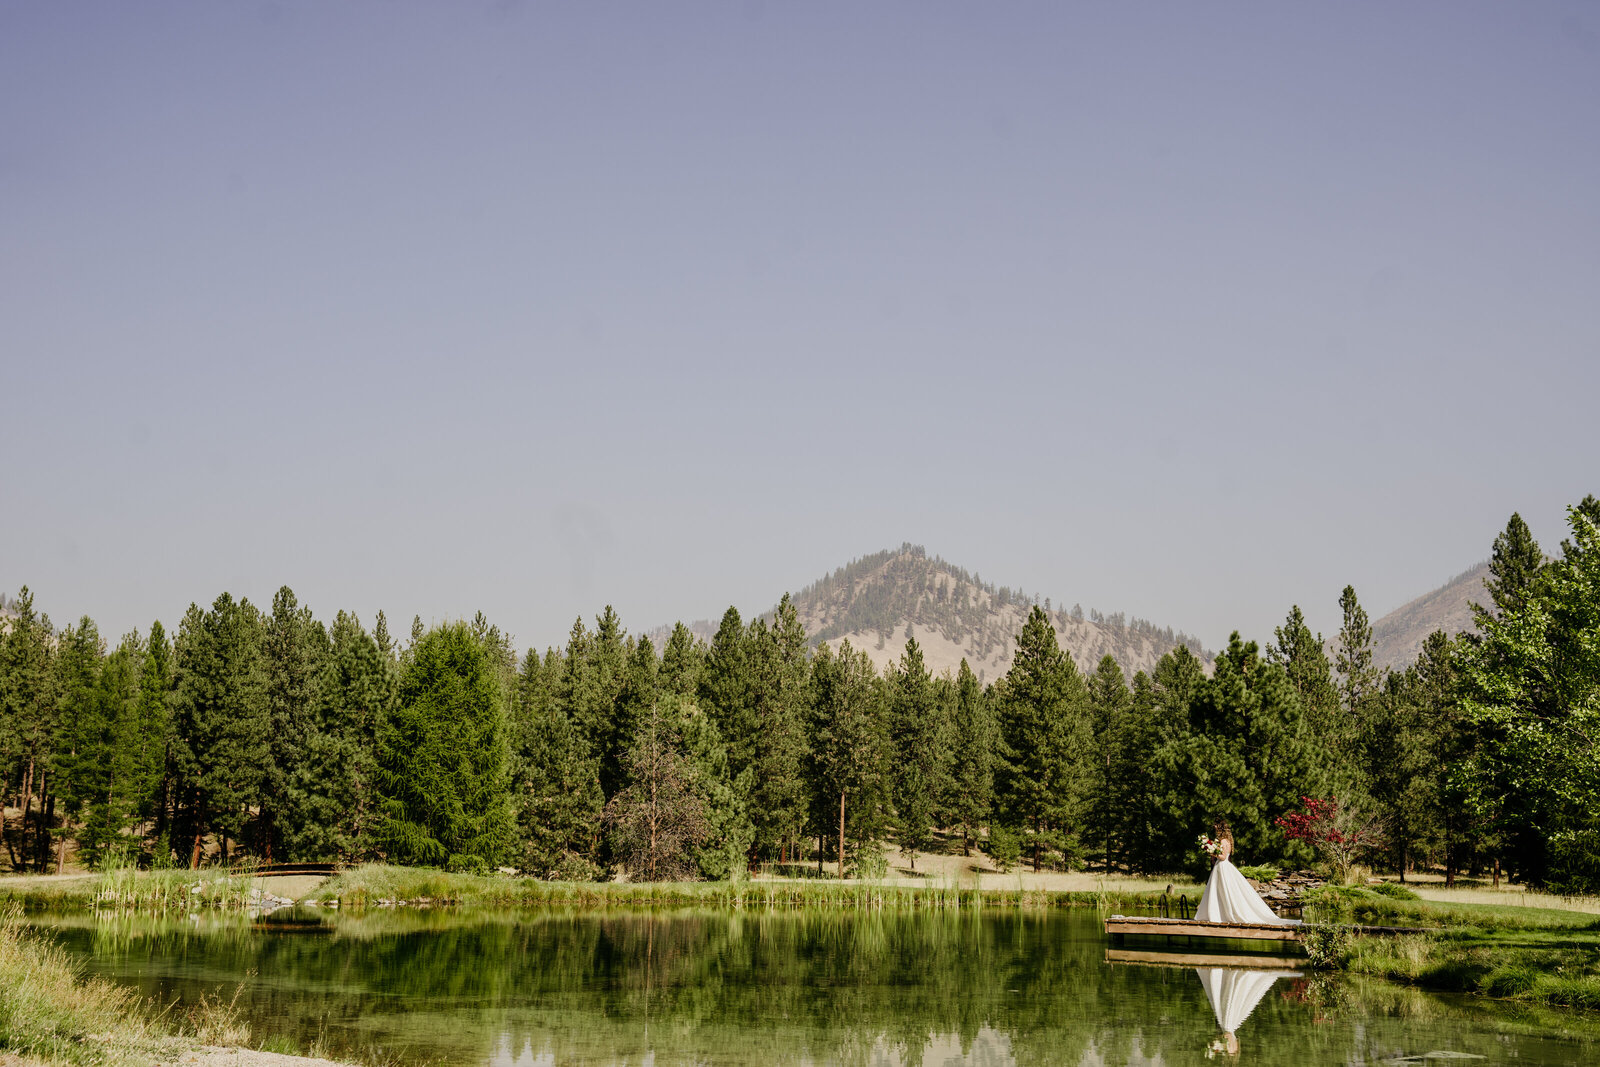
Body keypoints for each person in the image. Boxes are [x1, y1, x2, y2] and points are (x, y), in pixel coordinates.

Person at [1193, 823, 1299, 926]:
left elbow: (1223, 857)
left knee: (1221, 889)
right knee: (1221, 889)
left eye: (1216, 830)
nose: (1215, 832)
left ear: (1220, 830)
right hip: (1223, 867)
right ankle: (1220, 914)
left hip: (1222, 866)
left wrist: (1212, 853)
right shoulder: (1228, 841)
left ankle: (1218, 914)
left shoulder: (1223, 841)